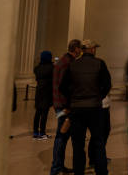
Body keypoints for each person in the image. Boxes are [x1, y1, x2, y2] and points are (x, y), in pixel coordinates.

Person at [60, 40, 112, 175]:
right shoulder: (100, 63)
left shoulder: (73, 65)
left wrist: (72, 100)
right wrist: (98, 97)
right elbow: (107, 84)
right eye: (95, 48)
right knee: (99, 143)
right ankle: (102, 172)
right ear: (92, 49)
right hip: (95, 108)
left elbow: (62, 87)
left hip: (77, 109)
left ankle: (79, 172)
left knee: (78, 145)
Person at [50, 39, 82, 175]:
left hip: (59, 104)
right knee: (61, 136)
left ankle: (59, 166)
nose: (80, 51)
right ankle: (56, 168)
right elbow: (65, 87)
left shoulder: (63, 60)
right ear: (75, 49)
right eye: (79, 48)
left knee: (62, 135)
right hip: (64, 105)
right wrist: (68, 106)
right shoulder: (68, 63)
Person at [34, 50, 54, 140]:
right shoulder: (52, 67)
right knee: (44, 113)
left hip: (38, 91)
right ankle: (42, 132)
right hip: (47, 92)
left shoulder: (37, 68)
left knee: (38, 112)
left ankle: (35, 132)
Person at [88, 94, 111, 169]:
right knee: (97, 134)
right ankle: (94, 159)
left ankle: (100, 156)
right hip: (98, 106)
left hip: (104, 105)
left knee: (105, 131)